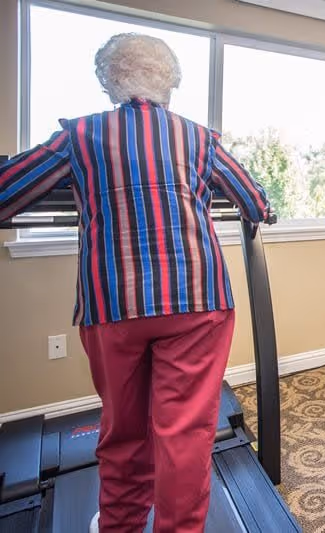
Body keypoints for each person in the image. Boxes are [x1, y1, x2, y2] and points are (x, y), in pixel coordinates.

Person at [0, 33, 271, 533]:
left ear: (109, 81)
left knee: (123, 431)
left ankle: (121, 524)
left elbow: (7, 191)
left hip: (113, 304)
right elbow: (256, 202)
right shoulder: (199, 138)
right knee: (185, 433)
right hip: (197, 300)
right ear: (169, 82)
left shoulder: (78, 136)